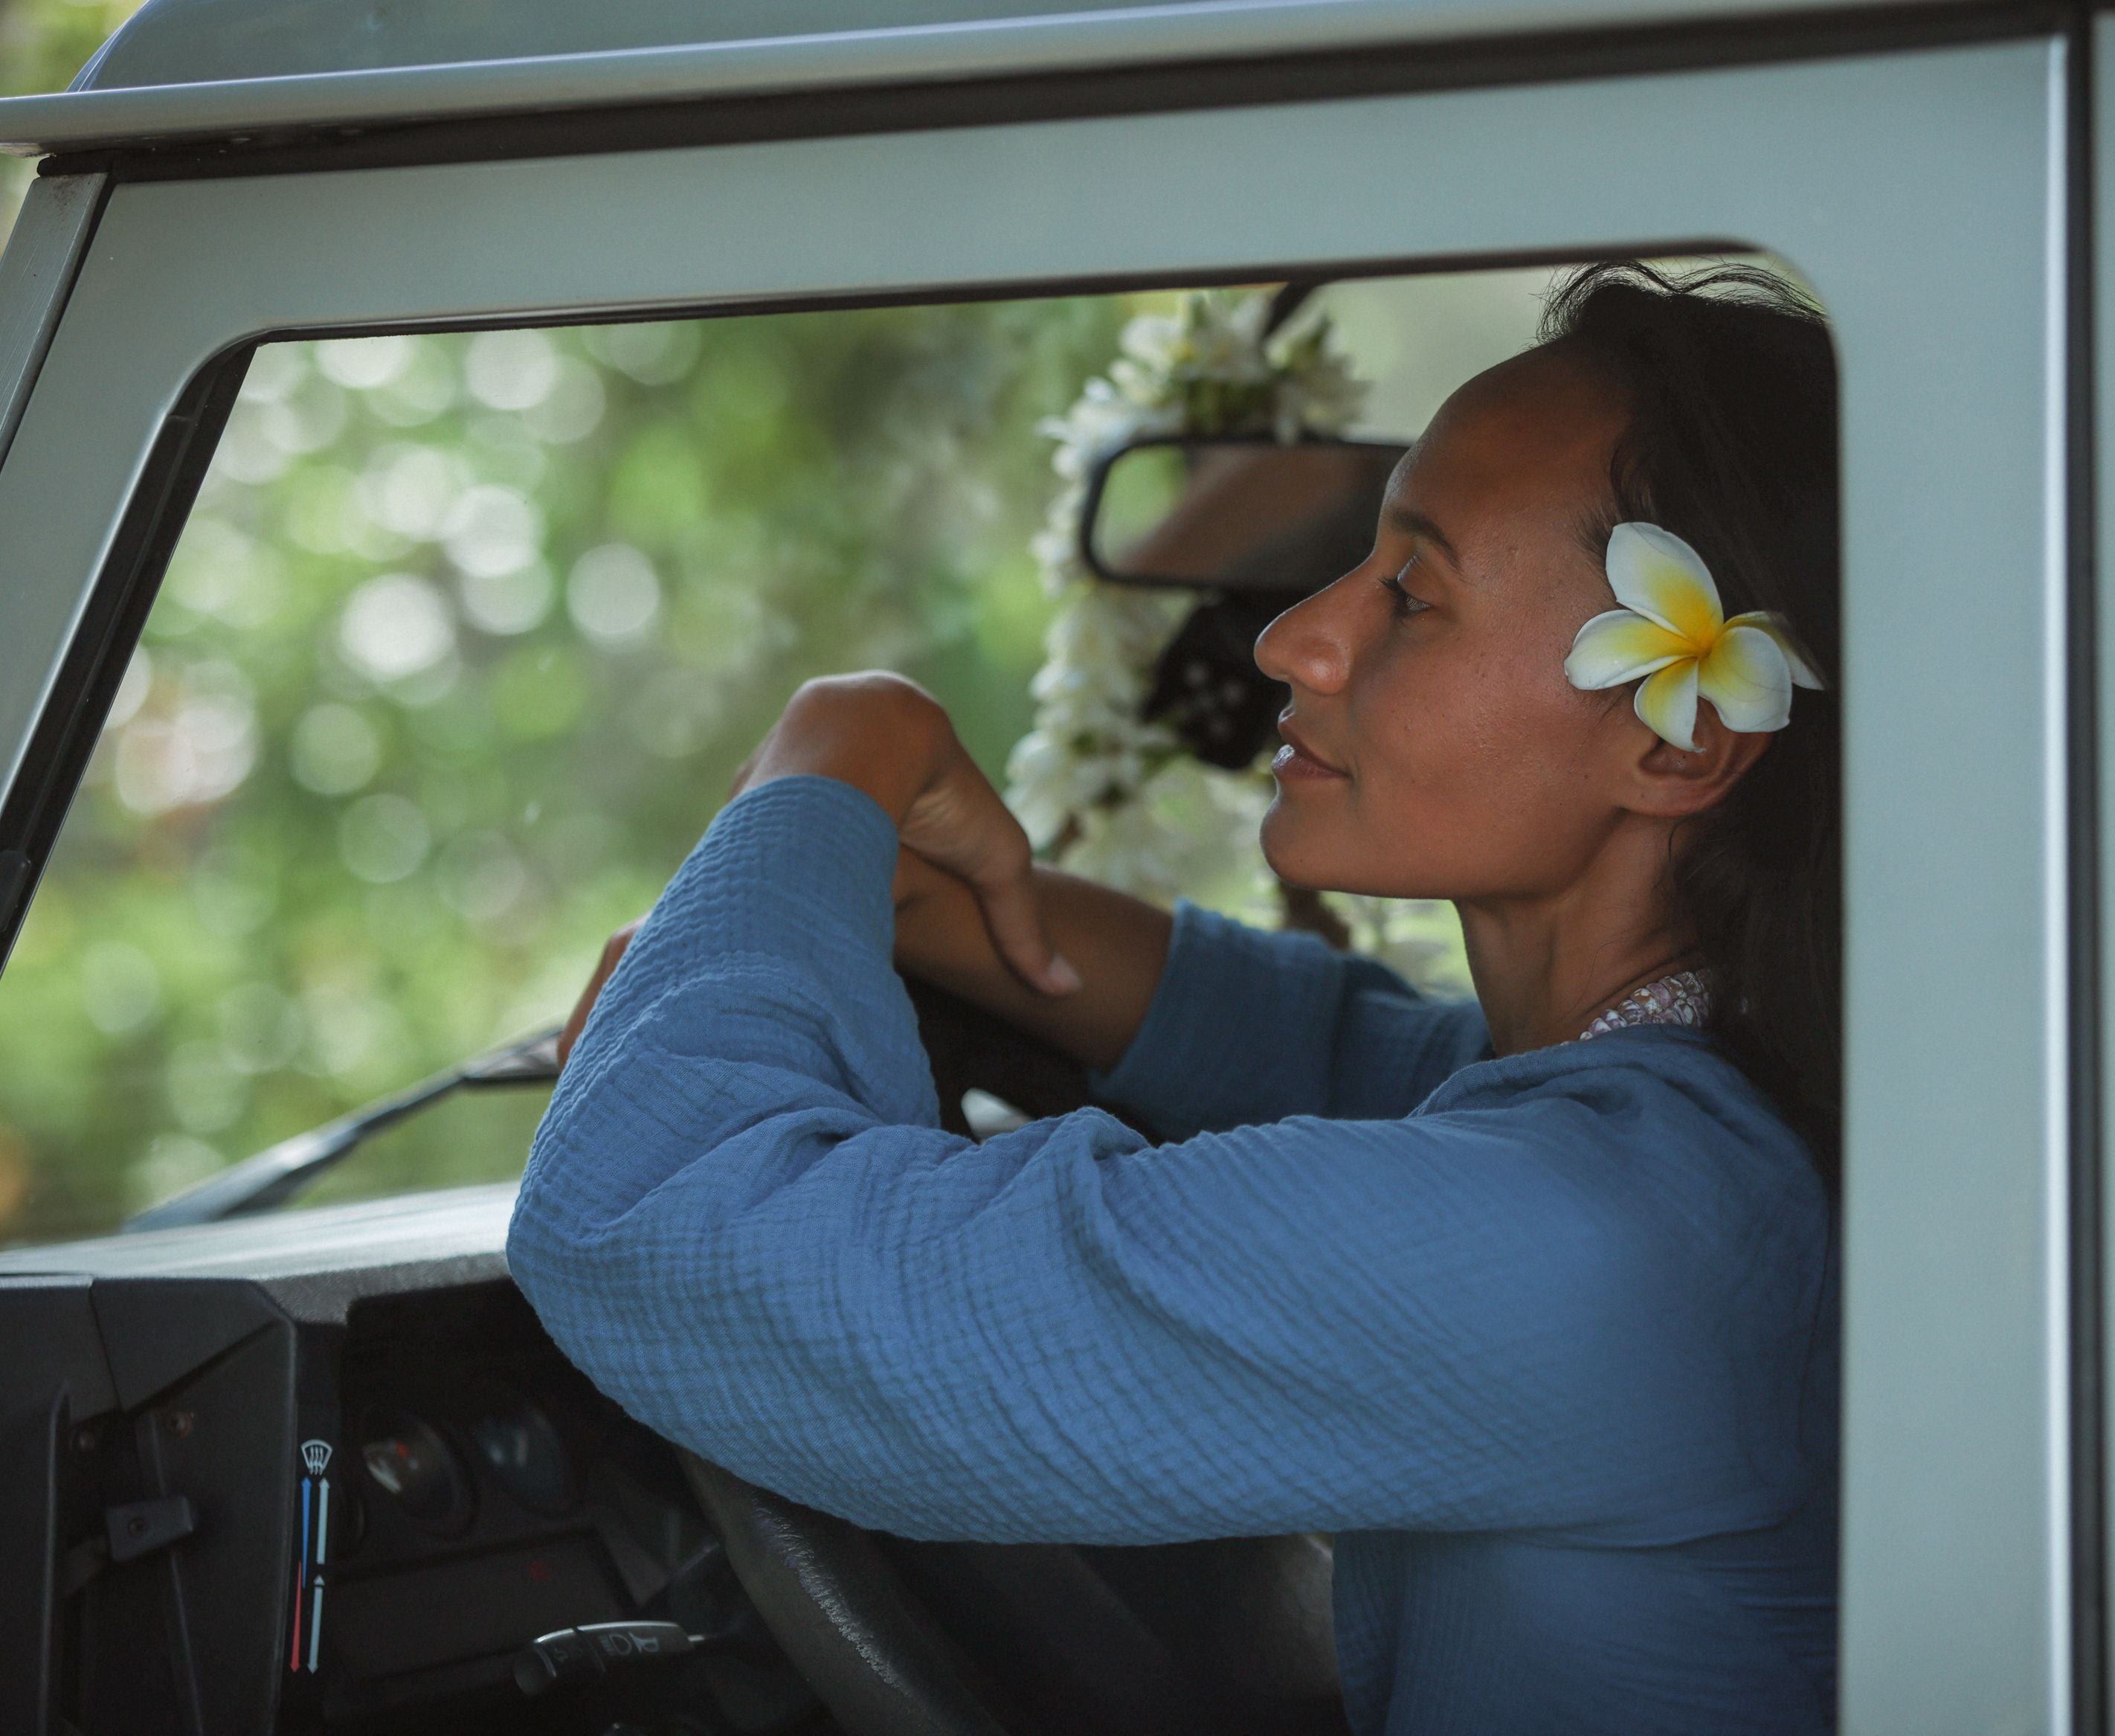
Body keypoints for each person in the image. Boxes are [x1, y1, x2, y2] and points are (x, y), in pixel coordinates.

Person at [510, 262, 1842, 1735]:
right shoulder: (1707, 1121)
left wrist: (835, 747)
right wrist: (916, 902)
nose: (1292, 640)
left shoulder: (1596, 1244)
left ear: (1677, 751)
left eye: (1410, 592)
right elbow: (1350, 1053)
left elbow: (654, 1220)